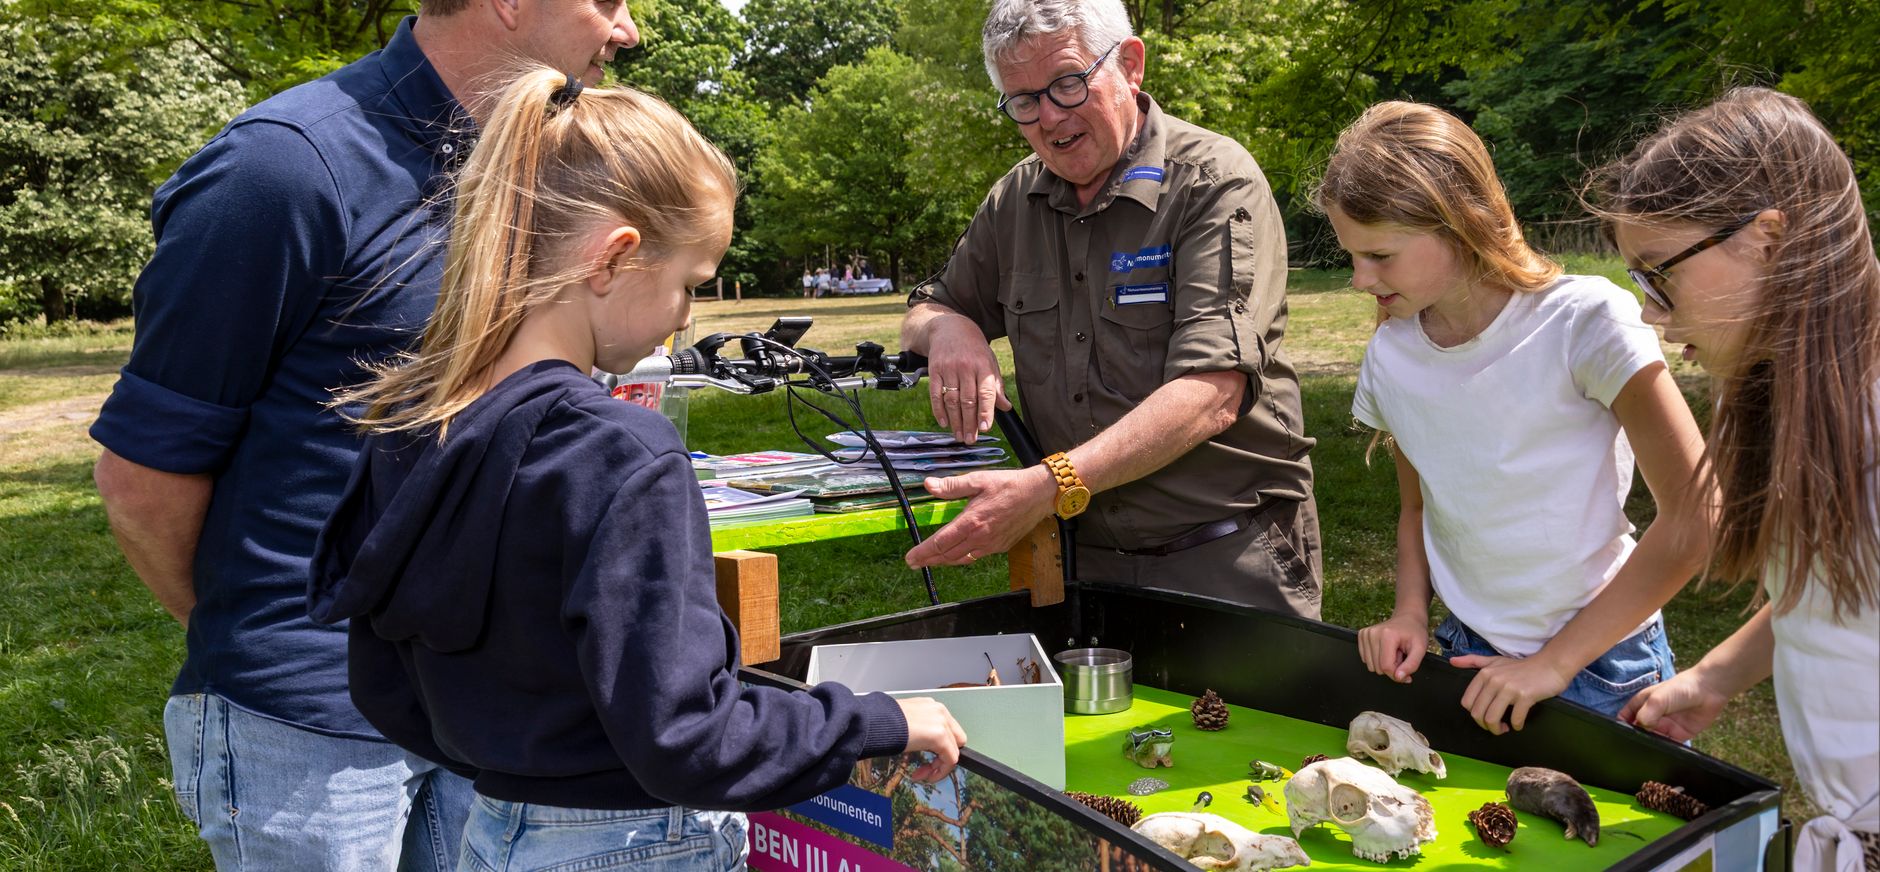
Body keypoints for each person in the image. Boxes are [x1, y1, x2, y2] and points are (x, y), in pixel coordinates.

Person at [308, 69, 967, 870]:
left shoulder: (411, 426)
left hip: (496, 832)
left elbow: (385, 687)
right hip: (634, 843)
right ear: (614, 259)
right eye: (690, 284)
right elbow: (690, 735)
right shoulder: (624, 452)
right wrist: (879, 721)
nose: (689, 317)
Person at [88, 2, 640, 867]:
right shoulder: (283, 169)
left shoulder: (546, 169)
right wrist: (273, 648)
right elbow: (143, 480)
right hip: (309, 731)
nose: (629, 28)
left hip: (481, 705)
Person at [898, 0, 1321, 616]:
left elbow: (1212, 393)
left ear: (1130, 64)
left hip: (1227, 557)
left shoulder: (1213, 182)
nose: (1049, 117)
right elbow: (924, 309)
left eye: (1068, 84)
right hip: (1081, 559)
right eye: (1023, 101)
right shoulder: (1016, 198)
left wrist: (1048, 487)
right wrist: (950, 330)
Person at [1322, 102, 1712, 733]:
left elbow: (1696, 519)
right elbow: (1419, 508)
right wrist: (1410, 615)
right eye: (1352, 256)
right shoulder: (1391, 355)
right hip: (1473, 658)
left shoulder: (1585, 322)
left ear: (1459, 222)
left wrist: (1553, 664)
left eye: (1381, 256)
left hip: (1605, 668)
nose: (1360, 279)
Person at [1600, 88, 1879, 872]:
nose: (1652, 313)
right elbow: (1835, 592)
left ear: (1767, 239)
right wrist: (1717, 676)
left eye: (1660, 276)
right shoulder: (1800, 392)